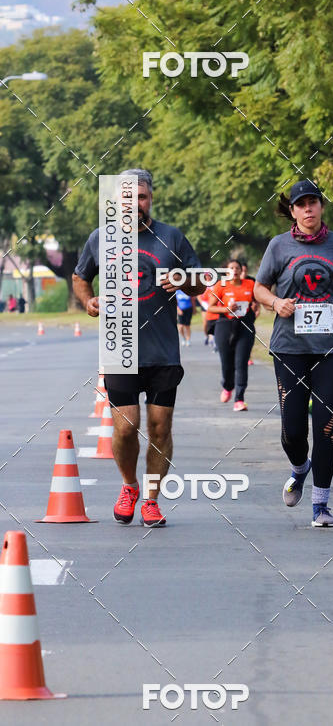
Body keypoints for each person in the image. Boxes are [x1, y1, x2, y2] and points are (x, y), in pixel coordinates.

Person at [73, 168, 203, 528]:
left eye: (141, 197)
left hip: (163, 351)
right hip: (120, 346)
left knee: (160, 428)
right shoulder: (101, 238)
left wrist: (181, 279)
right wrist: (88, 301)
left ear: (151, 198)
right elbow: (81, 276)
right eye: (128, 198)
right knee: (127, 427)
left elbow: (199, 282)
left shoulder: (171, 238)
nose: (135, 205)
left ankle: (151, 499)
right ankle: (129, 486)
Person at [254, 179, 333, 528]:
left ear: (321, 206)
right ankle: (299, 468)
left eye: (313, 202)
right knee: (292, 429)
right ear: (292, 211)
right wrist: (276, 303)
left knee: (326, 426)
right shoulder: (278, 246)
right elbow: (259, 288)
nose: (308, 209)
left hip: (332, 346)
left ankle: (321, 505)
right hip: (290, 348)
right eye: (301, 204)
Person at [206, 258, 257, 411]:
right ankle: (228, 386)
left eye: (237, 268)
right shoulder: (221, 285)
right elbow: (211, 308)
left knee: (241, 363)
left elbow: (258, 299)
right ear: (226, 272)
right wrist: (227, 309)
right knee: (227, 364)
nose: (234, 270)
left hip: (244, 326)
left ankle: (239, 399)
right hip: (224, 326)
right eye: (231, 268)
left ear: (242, 271)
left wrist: (257, 306)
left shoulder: (250, 284)